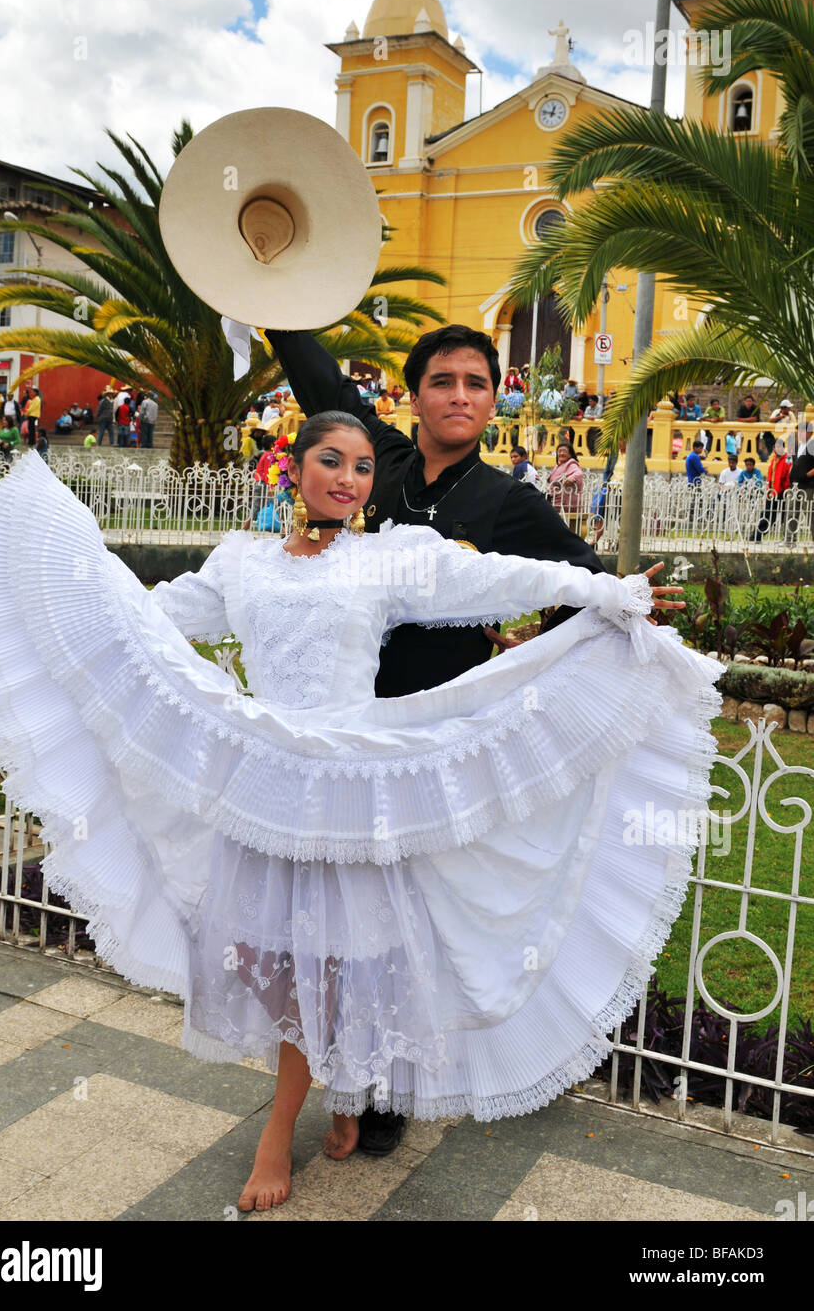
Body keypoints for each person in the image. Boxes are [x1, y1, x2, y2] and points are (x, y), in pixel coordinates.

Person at [0, 423, 720, 1214]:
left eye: (362, 467)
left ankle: (282, 1124)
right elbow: (152, 620)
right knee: (265, 959)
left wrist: (606, 590)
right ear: (295, 469)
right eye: (332, 461)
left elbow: (496, 578)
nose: (349, 479)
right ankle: (341, 1087)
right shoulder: (241, 562)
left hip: (351, 792)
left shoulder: (388, 556)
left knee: (337, 960)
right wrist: (71, 598)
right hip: (267, 787)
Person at [260, 320, 611, 1154]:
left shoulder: (508, 502)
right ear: (413, 395)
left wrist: (537, 637)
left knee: (399, 922)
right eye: (443, 381)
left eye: (476, 384)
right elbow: (322, 387)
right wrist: (272, 292)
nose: (460, 397)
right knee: (331, 919)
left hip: (430, 739)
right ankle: (341, 1075)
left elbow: (581, 578)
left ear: (494, 400)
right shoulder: (373, 462)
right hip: (338, 734)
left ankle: (385, 1088)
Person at [753, 440, 791, 541]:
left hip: (783, 491)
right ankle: (758, 535)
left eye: (779, 447)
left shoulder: (787, 459)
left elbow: (787, 476)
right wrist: (769, 490)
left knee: (785, 515)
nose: (777, 449)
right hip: (772, 492)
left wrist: (786, 490)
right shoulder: (774, 459)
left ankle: (787, 538)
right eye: (775, 447)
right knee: (766, 514)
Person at [546, 441, 584, 531]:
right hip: (556, 501)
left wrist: (571, 478)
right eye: (559, 451)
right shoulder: (558, 465)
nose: (561, 453)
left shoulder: (571, 463)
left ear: (570, 454)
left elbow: (579, 474)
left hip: (567, 503)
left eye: (564, 451)